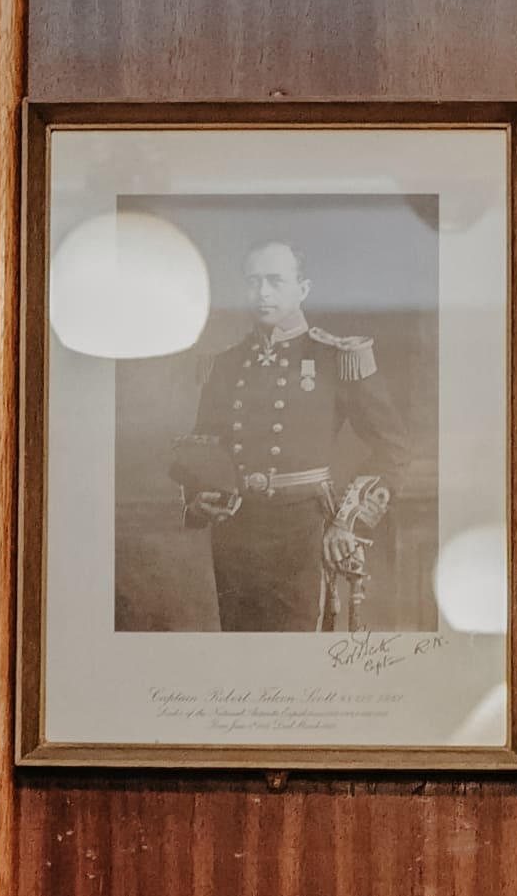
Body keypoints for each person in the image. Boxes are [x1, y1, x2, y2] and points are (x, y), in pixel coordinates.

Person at [170, 237, 397, 632]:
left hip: (305, 534)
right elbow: (203, 445)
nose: (263, 293)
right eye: (253, 281)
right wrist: (197, 498)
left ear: (303, 289)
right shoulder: (224, 365)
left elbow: (392, 446)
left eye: (275, 281)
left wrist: (349, 521)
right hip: (236, 536)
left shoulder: (335, 357)